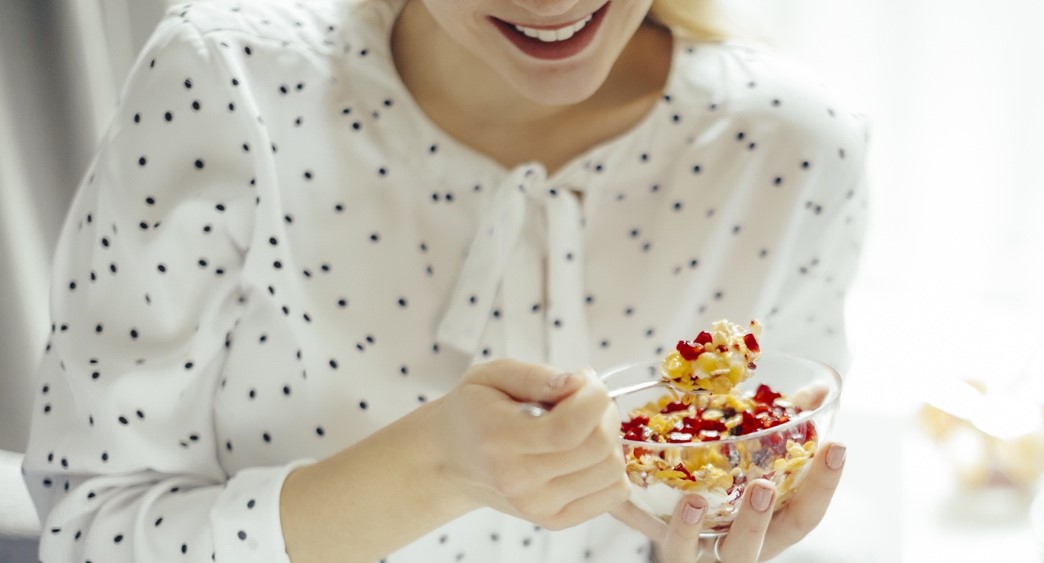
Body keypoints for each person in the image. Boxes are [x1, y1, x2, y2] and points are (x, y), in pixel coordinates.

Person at [21, 0, 869, 561]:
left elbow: (748, 489)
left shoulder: (796, 149)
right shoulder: (223, 83)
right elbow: (88, 529)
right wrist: (435, 468)